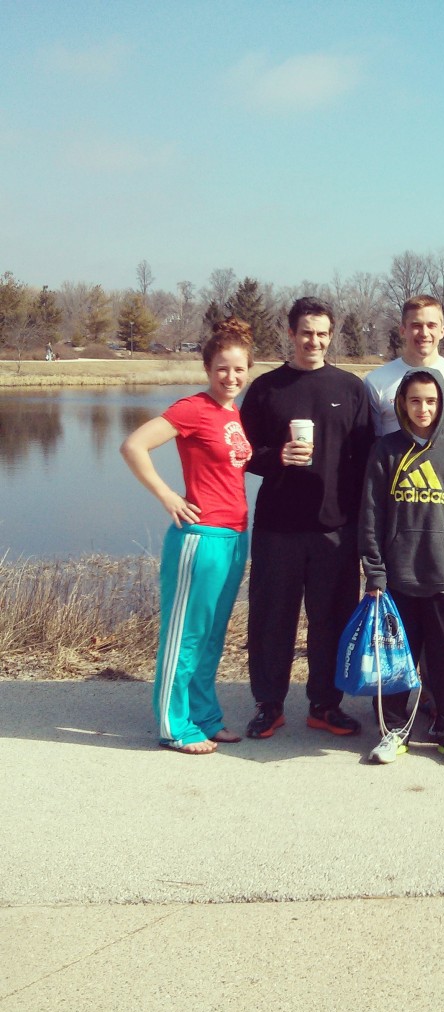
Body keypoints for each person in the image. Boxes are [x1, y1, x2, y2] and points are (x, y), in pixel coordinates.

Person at [240, 296, 374, 740]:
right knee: (271, 618)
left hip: (335, 528)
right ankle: (269, 704)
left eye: (321, 333)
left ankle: (324, 705)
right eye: (305, 332)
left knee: (331, 620)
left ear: (330, 336)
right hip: (278, 526)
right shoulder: (266, 388)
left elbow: (363, 461)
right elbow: (241, 454)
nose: (313, 340)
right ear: (291, 333)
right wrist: (275, 456)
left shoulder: (350, 389)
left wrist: (360, 526)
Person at [120, 317, 254, 754]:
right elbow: (133, 445)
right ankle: (174, 724)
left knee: (213, 634)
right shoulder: (192, 408)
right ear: (207, 369)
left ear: (248, 368)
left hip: (234, 537)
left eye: (238, 369)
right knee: (185, 633)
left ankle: (205, 716)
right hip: (199, 536)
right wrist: (167, 495)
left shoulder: (232, 411)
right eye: (222, 369)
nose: (230, 377)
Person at [360, 367, 444, 765]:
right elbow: (371, 515)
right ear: (402, 403)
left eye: (431, 400)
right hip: (398, 580)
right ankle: (393, 731)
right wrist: (375, 571)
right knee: (396, 664)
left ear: (442, 403)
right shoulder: (386, 450)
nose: (423, 408)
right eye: (415, 400)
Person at [364, 295, 444, 436]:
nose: (424, 333)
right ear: (403, 331)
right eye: (416, 325)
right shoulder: (376, 381)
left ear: (442, 331)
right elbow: (373, 442)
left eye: (431, 325)